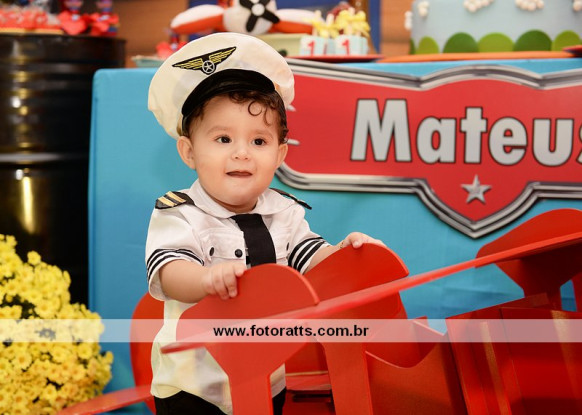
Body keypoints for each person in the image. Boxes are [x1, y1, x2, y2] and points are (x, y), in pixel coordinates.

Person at [145, 32, 385, 415]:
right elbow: (169, 272)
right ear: (189, 151)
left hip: (266, 375)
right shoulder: (180, 212)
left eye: (259, 141)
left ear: (279, 155)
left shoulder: (284, 212)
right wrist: (205, 279)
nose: (242, 153)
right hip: (193, 383)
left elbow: (310, 258)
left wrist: (346, 253)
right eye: (223, 139)